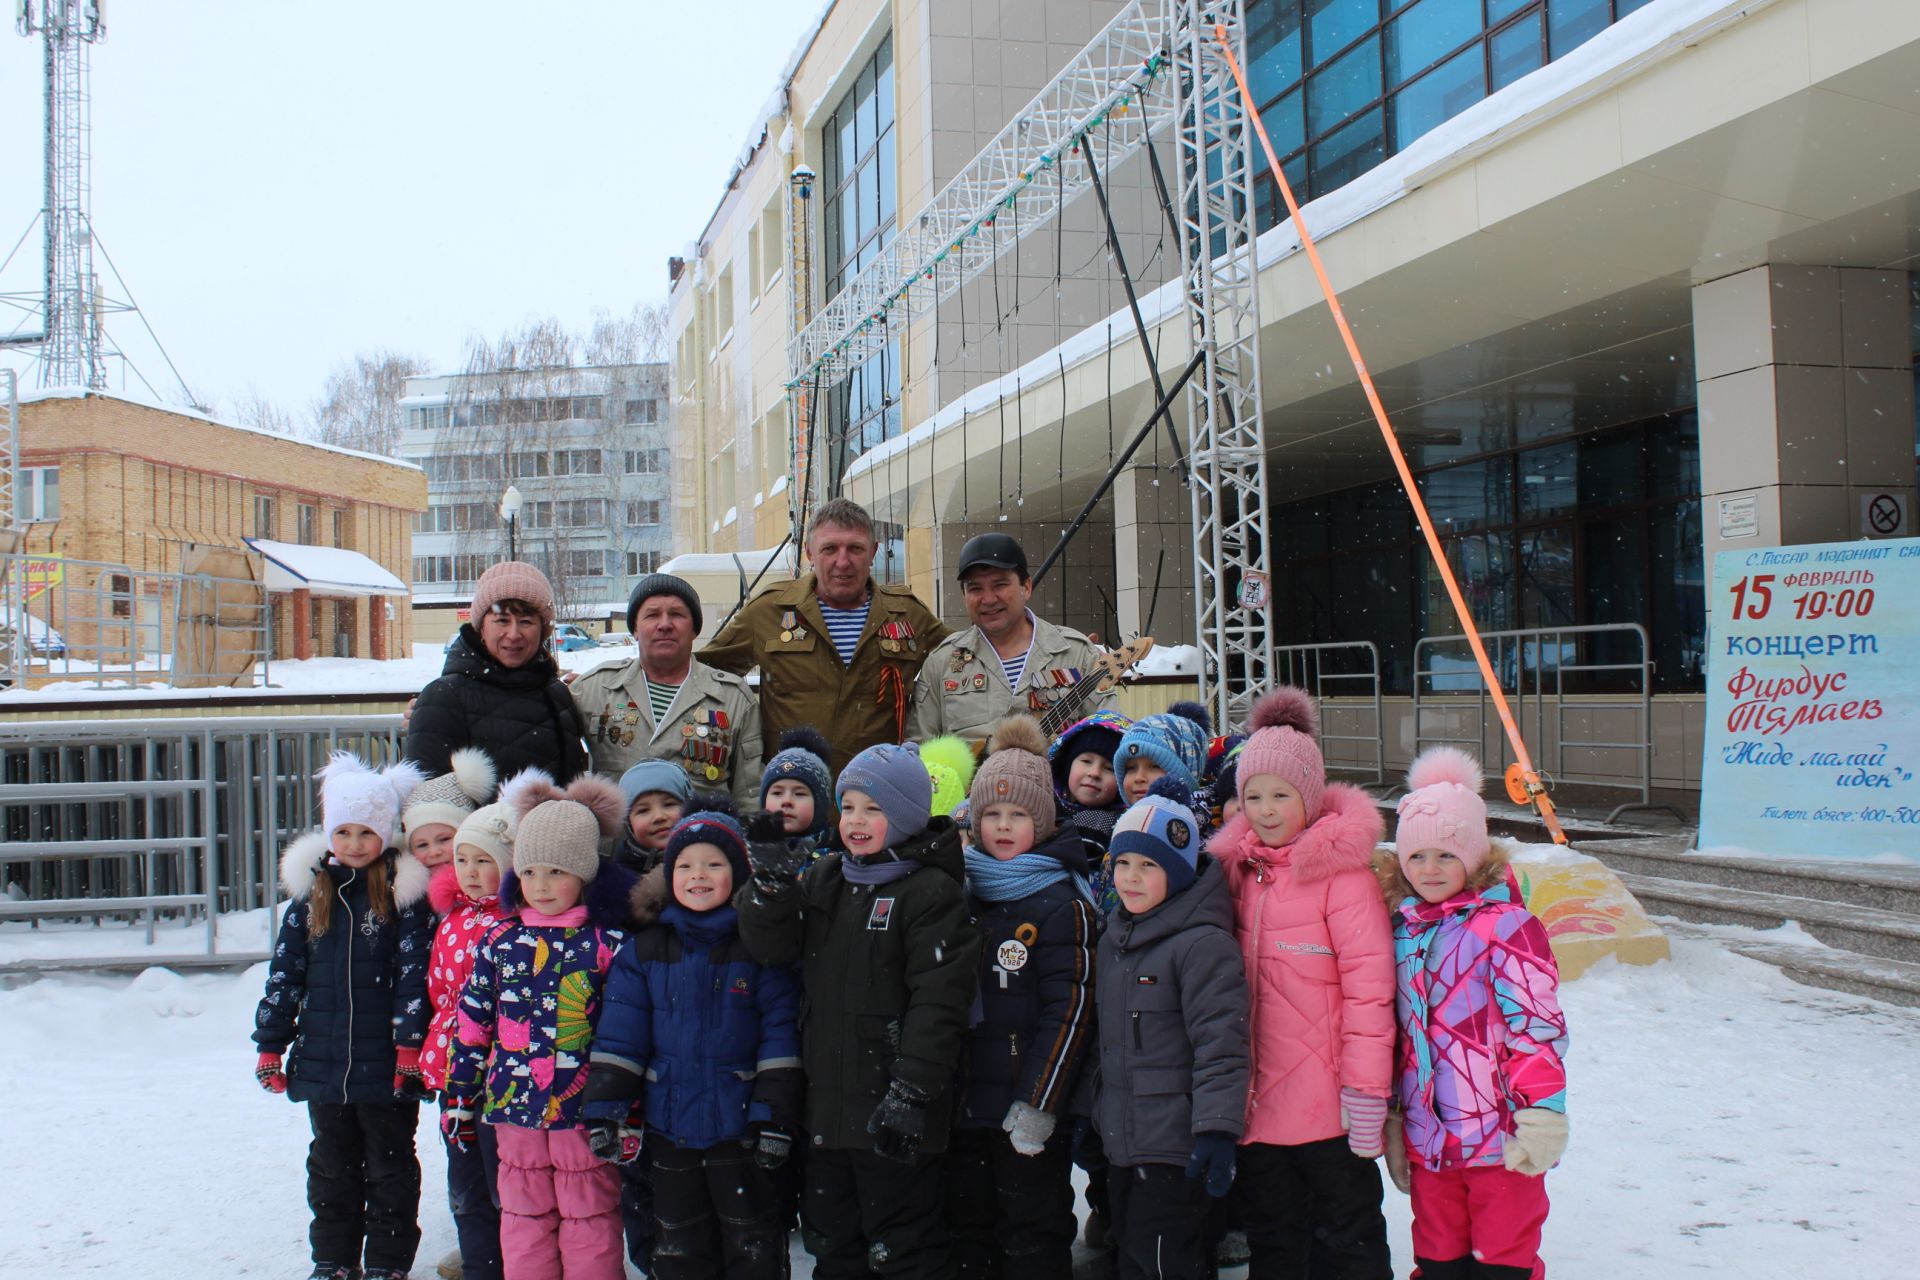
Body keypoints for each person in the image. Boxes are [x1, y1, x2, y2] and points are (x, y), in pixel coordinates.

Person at [735, 743, 981, 1280]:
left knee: (903, 1248)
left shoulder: (931, 891)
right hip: (827, 1110)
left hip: (895, 1111)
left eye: (873, 807)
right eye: (847, 807)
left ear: (908, 814)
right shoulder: (827, 878)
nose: (856, 821)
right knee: (834, 1245)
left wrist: (912, 1091)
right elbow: (773, 948)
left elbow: (939, 1003)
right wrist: (772, 888)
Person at [1205, 689, 1394, 1279]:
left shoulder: (1343, 879)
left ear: (1309, 800)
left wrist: (1365, 1092)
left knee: (1348, 1236)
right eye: (1253, 795)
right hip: (1257, 1105)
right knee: (1275, 1239)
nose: (1265, 809)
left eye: (1281, 795)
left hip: (1330, 1107)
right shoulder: (1233, 873)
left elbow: (1370, 991)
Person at [583, 807, 804, 1280]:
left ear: (738, 874)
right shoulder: (643, 951)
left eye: (713, 864)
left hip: (741, 1130)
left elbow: (780, 1039)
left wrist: (775, 1117)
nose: (697, 875)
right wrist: (606, 1107)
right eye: (684, 865)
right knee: (680, 1244)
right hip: (670, 1129)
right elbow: (622, 1038)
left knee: (753, 1242)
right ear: (669, 876)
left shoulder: (758, 951)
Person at [1382, 749, 1570, 1280]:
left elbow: (1537, 1027)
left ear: (1474, 855)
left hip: (1501, 1133)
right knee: (1439, 1260)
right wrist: (1398, 1115)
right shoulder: (1403, 931)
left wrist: (1542, 1112)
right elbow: (1400, 1034)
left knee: (1501, 1262)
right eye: (1417, 857)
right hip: (1432, 1141)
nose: (1430, 869)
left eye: (1446, 855)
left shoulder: (1506, 926)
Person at [443, 774, 639, 1280]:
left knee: (590, 1214)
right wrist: (460, 1097)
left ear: (586, 874)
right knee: (523, 1216)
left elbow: (630, 1034)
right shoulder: (501, 941)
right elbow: (472, 1026)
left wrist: (626, 1109)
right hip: (512, 1106)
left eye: (557, 871)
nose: (542, 885)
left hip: (584, 1111)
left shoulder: (609, 944)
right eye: (529, 871)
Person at [252, 754, 435, 1280]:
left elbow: (413, 981)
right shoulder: (310, 902)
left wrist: (409, 1047)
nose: (354, 844)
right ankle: (333, 1260)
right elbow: (285, 978)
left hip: (386, 1068)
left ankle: (386, 1263)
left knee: (391, 1166)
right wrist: (271, 1044)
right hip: (325, 1065)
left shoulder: (404, 902)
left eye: (366, 832)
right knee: (330, 1168)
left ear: (385, 833)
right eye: (344, 831)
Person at [948, 716, 1097, 1280]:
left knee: (1031, 1232)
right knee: (970, 1228)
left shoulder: (1063, 903)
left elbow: (1071, 1011)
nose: (1003, 827)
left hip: (1025, 1109)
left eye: (1019, 816)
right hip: (965, 1107)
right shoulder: (962, 890)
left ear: (1044, 822)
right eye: (991, 815)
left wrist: (1038, 1102)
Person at [1094, 778, 1249, 1280]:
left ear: (1179, 875)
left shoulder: (1201, 945)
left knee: (1165, 1265)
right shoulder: (1114, 938)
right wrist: (1088, 1112)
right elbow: (1105, 1043)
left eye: (1148, 865)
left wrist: (1216, 1130)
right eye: (1123, 863)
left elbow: (1222, 1046)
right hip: (1122, 1141)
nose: (1130, 878)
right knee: (1133, 1258)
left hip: (1175, 1147)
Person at [702, 498, 948, 774]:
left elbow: (961, 661)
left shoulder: (907, 615)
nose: (842, 562)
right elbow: (703, 675)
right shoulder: (768, 612)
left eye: (855, 548)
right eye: (829, 549)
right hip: (794, 797)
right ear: (809, 552)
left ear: (873, 552)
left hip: (878, 798)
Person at [421, 788, 520, 1280]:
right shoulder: (452, 920)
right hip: (452, 1067)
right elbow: (440, 991)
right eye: (462, 859)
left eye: (484, 860)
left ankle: (513, 1260)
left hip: (503, 1069)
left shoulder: (518, 924)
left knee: (504, 1177)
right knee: (464, 1176)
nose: (470, 871)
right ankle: (481, 1263)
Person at [572, 573, 764, 809]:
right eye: (652, 615)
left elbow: (749, 799)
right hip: (616, 843)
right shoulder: (594, 689)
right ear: (635, 629)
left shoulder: (733, 699)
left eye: (677, 615)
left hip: (700, 842)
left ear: (694, 629)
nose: (664, 624)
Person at [905, 533, 1114, 746]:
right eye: (975, 588)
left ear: (1027, 587)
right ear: (964, 596)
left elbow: (1108, 737)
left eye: (999, 585)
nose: (988, 599)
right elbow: (919, 750)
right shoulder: (942, 663)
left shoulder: (1075, 653)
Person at [407, 560, 590, 784]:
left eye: (525, 621)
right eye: (502, 620)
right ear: (481, 627)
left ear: (542, 631)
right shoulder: (445, 697)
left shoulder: (557, 696)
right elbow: (427, 799)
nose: (513, 634)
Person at [401, 748, 497, 877]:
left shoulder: (491, 886)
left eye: (444, 839)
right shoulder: (403, 894)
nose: (434, 852)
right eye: (422, 845)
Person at [1112, 702, 1213, 807]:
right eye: (1131, 768)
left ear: (1188, 775)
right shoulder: (1121, 821)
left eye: (1155, 766)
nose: (1138, 777)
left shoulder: (1198, 820)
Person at [613, 758, 695, 876]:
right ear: (628, 822)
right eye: (643, 810)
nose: (659, 816)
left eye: (669, 804)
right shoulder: (615, 879)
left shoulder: (708, 865)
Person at [759, 725, 838, 846]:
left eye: (799, 794)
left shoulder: (838, 854)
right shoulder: (748, 851)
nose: (786, 801)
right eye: (777, 793)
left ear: (820, 804)